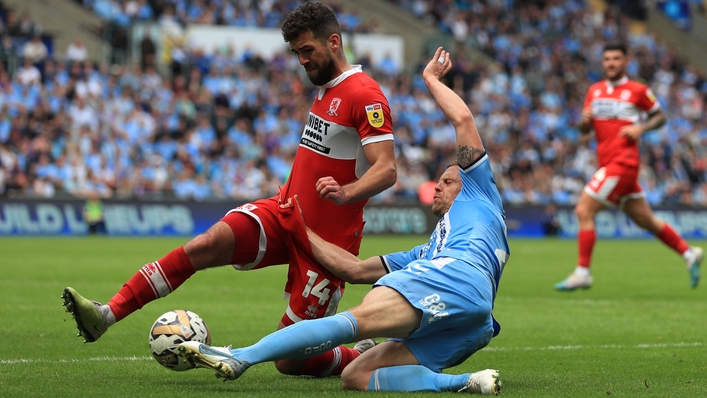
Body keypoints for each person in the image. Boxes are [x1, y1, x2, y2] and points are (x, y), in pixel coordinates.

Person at [62, 1, 397, 378]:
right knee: (204, 244)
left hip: (329, 246)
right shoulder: (325, 87)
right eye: (296, 53)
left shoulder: (365, 94)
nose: (301, 61)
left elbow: (386, 169)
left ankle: (364, 357)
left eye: (307, 51)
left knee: (290, 361)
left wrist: (347, 192)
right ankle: (105, 316)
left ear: (334, 42)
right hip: (284, 213)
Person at [177, 47, 507, 395]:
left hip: (455, 276)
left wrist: (429, 79)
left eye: (448, 181)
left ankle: (242, 356)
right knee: (357, 375)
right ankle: (468, 383)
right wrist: (302, 231)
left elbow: (464, 121)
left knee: (352, 322)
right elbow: (355, 270)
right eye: (438, 181)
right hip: (476, 317)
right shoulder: (429, 251)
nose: (438, 186)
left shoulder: (479, 192)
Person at [554, 43, 703, 291]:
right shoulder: (595, 90)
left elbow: (660, 116)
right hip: (609, 163)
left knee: (583, 210)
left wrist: (640, 128)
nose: (611, 63)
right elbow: (584, 133)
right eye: (607, 59)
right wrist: (583, 124)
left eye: (616, 58)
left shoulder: (638, 90)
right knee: (646, 220)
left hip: (623, 163)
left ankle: (582, 272)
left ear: (626, 61)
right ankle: (689, 253)